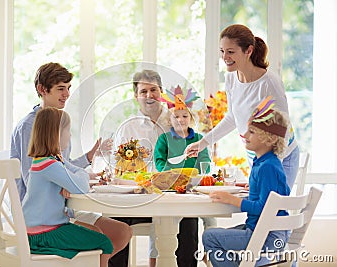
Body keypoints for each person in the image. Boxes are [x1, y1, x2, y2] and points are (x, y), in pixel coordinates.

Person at [11, 62, 131, 259]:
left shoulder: (56, 124)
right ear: (42, 89)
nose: (67, 94)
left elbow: (63, 167)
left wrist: (88, 158)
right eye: (60, 89)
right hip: (44, 218)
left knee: (122, 232)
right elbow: (30, 178)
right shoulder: (30, 126)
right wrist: (70, 180)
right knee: (101, 238)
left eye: (68, 88)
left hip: (62, 209)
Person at [185, 24, 299, 190]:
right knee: (257, 209)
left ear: (249, 51)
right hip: (256, 155)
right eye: (222, 51)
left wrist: (269, 168)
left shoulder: (269, 83)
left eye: (231, 52)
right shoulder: (231, 78)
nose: (225, 57)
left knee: (271, 208)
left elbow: (282, 129)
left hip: (281, 157)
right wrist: (202, 143)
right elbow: (233, 118)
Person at [110, 70, 200, 267]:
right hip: (138, 197)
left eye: (153, 90)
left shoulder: (177, 121)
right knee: (113, 216)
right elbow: (118, 167)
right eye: (143, 91)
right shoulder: (128, 128)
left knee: (189, 217)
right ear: (136, 96)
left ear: (161, 92)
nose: (149, 95)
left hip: (172, 197)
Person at [202, 99, 291, 267]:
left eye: (251, 132)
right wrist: (254, 188)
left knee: (209, 237)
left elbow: (265, 208)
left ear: (270, 138)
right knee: (216, 237)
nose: (244, 135)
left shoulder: (267, 167)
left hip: (266, 235)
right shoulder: (265, 163)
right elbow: (275, 193)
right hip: (263, 230)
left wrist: (233, 200)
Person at [22, 107, 114, 267]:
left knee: (96, 234)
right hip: (45, 234)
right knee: (105, 242)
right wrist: (79, 177)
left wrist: (74, 178)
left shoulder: (45, 161)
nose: (70, 135)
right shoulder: (50, 165)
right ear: (56, 134)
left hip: (37, 231)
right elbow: (82, 187)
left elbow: (75, 176)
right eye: (68, 131)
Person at [152, 86, 214, 266]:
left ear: (191, 118)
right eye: (176, 116)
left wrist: (197, 174)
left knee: (189, 222)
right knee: (170, 223)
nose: (180, 119)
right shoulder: (164, 139)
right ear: (169, 119)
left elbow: (205, 162)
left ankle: (188, 262)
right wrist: (170, 174)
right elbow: (159, 161)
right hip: (169, 189)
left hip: (191, 190)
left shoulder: (198, 139)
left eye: (185, 116)